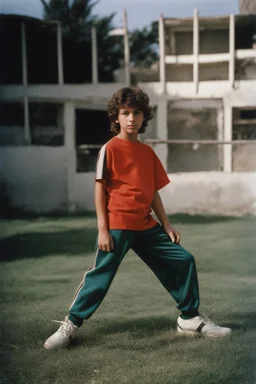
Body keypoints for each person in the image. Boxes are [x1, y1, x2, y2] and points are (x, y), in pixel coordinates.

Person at [44, 87, 232, 349]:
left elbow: (152, 191)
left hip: (146, 226)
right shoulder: (109, 149)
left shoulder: (147, 153)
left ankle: (189, 319)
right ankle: (71, 325)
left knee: (184, 260)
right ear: (116, 118)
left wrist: (165, 224)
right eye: (125, 113)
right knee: (100, 277)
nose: (131, 118)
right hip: (118, 226)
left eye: (137, 113)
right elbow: (99, 188)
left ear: (144, 117)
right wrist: (102, 229)